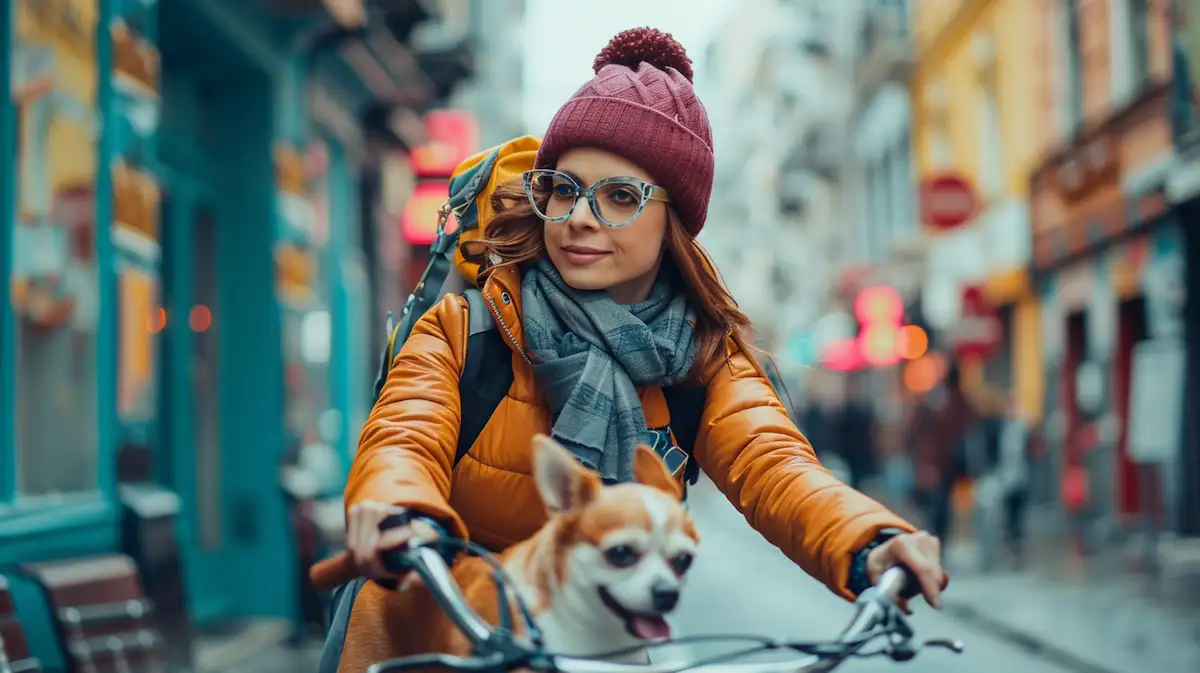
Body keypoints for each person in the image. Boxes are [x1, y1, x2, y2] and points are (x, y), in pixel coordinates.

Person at [333, 27, 947, 662]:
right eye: (564, 189)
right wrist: (398, 511)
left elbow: (778, 465)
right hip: (446, 636)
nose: (578, 217)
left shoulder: (705, 360)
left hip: (601, 647)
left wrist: (869, 540)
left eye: (620, 197)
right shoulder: (467, 329)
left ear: (672, 222)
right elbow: (404, 436)